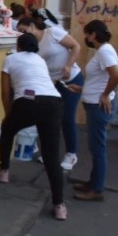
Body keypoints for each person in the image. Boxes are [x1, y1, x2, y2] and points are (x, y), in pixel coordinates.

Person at [0, 32, 67, 221]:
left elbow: (5, 92)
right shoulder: (40, 60)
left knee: (7, 130)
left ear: (18, 46)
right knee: (51, 156)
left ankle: (4, 171)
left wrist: (8, 115)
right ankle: (59, 206)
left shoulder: (10, 59)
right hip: (53, 102)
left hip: (28, 101)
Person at [17, 18, 83, 170]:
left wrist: (68, 65)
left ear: (32, 26)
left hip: (71, 78)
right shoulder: (31, 44)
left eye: (23, 30)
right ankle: (48, 152)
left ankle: (71, 154)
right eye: (19, 32)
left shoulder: (52, 33)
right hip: (51, 83)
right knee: (48, 117)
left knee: (67, 118)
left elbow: (75, 46)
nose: (22, 34)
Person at [67, 20, 118, 201]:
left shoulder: (105, 51)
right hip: (94, 103)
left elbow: (116, 75)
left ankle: (97, 189)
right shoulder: (103, 51)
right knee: (95, 147)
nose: (85, 38)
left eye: (87, 34)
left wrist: (105, 95)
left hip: (99, 106)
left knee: (98, 148)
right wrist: (82, 89)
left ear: (93, 34)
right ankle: (93, 183)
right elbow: (100, 80)